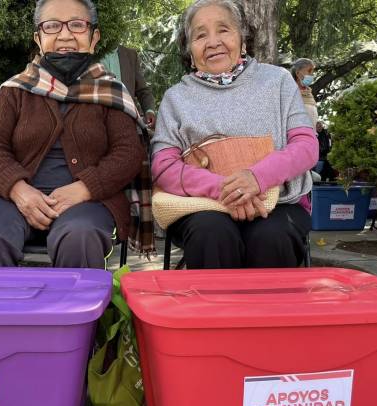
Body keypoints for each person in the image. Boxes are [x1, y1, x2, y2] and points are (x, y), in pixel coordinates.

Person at [0, 0, 145, 268]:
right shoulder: (15, 90)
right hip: (10, 199)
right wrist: (19, 191)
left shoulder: (110, 92)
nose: (65, 35)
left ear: (94, 37)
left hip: (89, 203)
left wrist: (85, 188)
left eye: (77, 25)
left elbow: (129, 153)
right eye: (52, 26)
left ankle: (77, 299)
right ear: (38, 38)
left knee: (80, 237)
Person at [151, 0, 317, 269]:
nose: (212, 42)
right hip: (203, 206)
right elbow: (163, 166)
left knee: (271, 236)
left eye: (223, 30)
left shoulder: (278, 81)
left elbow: (306, 146)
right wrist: (226, 190)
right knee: (211, 233)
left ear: (243, 40)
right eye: (200, 35)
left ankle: (269, 300)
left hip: (278, 203)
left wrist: (256, 178)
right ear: (190, 51)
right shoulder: (175, 98)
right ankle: (213, 300)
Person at [100, 45, 157, 129]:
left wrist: (149, 111)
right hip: (99, 121)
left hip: (128, 122)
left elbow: (143, 90)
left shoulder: (131, 55)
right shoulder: (90, 52)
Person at [291, 58, 318, 126]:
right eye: (309, 71)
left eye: (312, 72)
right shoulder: (289, 93)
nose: (312, 75)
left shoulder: (309, 93)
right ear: (297, 73)